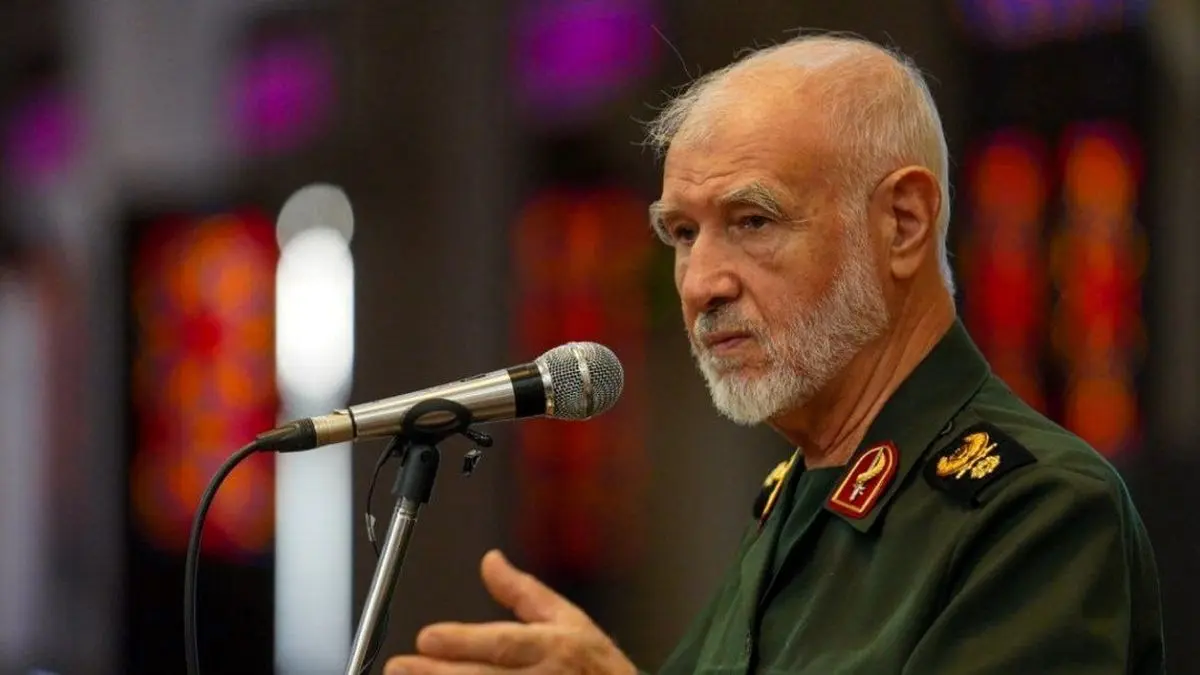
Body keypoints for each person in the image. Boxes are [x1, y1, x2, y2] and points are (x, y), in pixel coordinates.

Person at [384, 33, 1165, 674]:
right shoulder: (797, 496)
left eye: (753, 220)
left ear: (902, 222)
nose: (701, 283)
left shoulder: (1039, 512)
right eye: (682, 233)